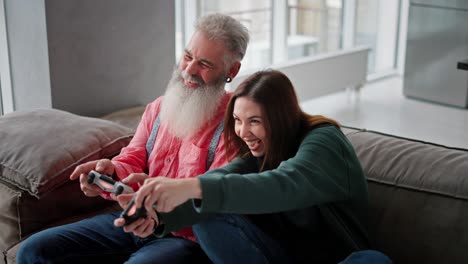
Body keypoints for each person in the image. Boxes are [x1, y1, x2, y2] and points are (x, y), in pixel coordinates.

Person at [16, 13, 249, 264]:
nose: (189, 70)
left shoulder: (236, 126)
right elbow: (134, 156)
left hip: (184, 238)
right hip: (132, 216)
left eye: (204, 64)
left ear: (231, 71)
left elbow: (212, 200)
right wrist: (111, 171)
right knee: (33, 250)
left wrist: (158, 202)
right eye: (187, 56)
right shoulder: (159, 108)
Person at [127, 70, 393, 263]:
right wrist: (155, 216)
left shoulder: (324, 141)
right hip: (281, 256)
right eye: (237, 120)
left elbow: (285, 184)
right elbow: (222, 178)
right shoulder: (258, 154)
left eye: (254, 121)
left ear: (281, 119)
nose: (243, 131)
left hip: (341, 259)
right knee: (208, 206)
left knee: (372, 260)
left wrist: (190, 185)